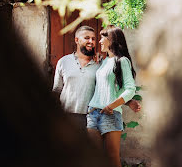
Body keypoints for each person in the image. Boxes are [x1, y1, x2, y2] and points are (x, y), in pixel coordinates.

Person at [87, 25, 138, 167]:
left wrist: (112, 105)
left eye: (102, 37)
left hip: (110, 113)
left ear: (111, 39)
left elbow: (129, 89)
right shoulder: (103, 62)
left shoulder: (122, 61)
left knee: (112, 158)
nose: (99, 41)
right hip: (93, 112)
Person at [52, 25, 100, 129]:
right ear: (77, 40)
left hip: (91, 118)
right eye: (87, 38)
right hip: (66, 116)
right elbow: (57, 90)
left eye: (93, 39)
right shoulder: (63, 61)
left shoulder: (99, 65)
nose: (91, 41)